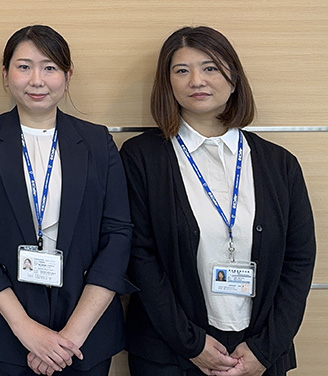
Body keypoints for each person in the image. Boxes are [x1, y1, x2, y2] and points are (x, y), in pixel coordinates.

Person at [121, 26, 316, 376]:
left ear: (233, 77)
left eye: (210, 67)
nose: (197, 80)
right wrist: (192, 344)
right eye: (182, 70)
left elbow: (299, 261)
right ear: (167, 83)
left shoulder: (279, 164)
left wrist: (264, 350)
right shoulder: (141, 157)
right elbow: (140, 257)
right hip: (169, 354)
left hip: (259, 352)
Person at [0, 25, 132, 376]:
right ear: (5, 75)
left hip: (84, 338)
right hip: (4, 331)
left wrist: (71, 336)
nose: (36, 80)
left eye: (49, 67)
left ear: (68, 76)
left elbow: (118, 236)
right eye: (24, 67)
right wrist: (25, 329)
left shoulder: (97, 142)